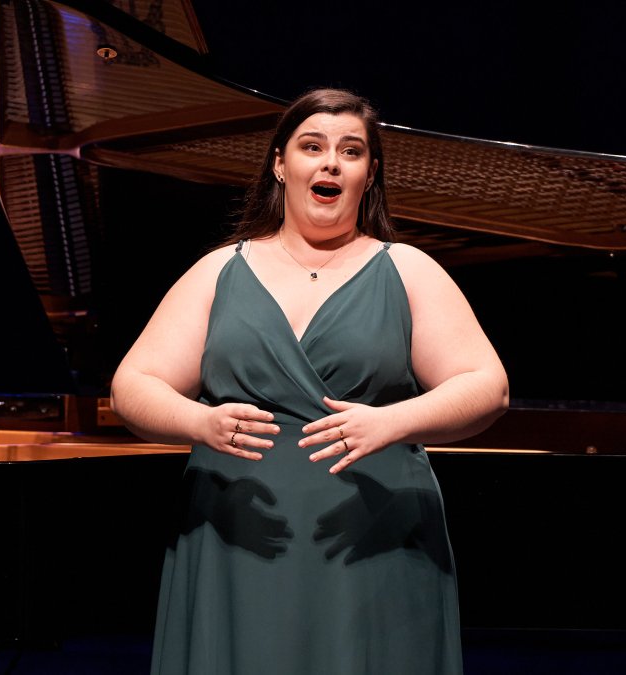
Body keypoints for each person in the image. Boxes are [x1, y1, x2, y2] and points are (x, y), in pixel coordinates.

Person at [110, 87, 509, 675]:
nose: (331, 163)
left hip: (371, 538)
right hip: (237, 537)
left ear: (370, 174)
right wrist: (199, 421)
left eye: (351, 151)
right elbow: (131, 385)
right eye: (312, 146)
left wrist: (392, 421)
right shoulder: (220, 271)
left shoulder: (408, 270)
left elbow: (487, 385)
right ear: (280, 164)